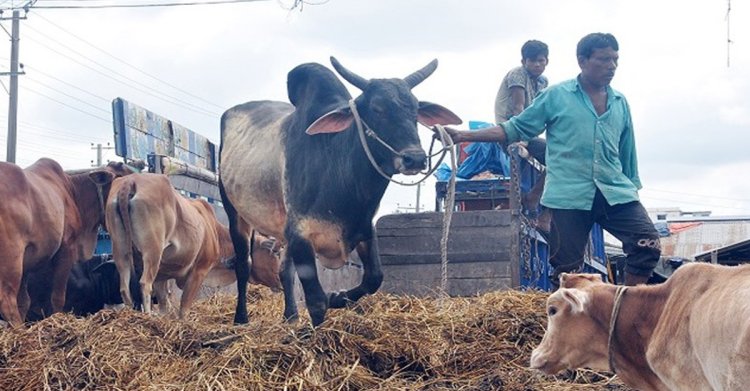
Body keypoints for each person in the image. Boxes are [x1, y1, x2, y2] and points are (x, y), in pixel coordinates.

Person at [442, 33, 660, 288]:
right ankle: (567, 324)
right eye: (603, 59)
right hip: (569, 196)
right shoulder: (556, 95)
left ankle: (628, 307)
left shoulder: (620, 102)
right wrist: (463, 135)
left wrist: (632, 189)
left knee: (648, 244)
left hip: (614, 192)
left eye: (615, 60)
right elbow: (515, 128)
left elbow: (627, 152)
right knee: (567, 273)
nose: (611, 66)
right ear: (582, 60)